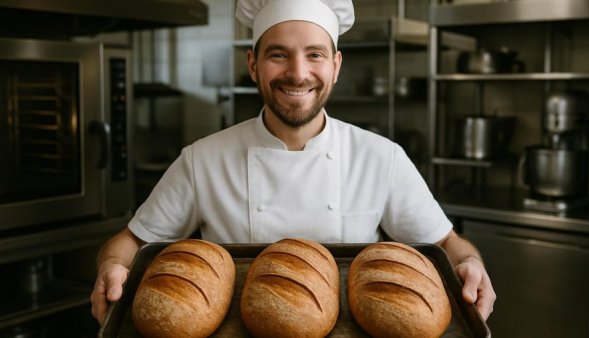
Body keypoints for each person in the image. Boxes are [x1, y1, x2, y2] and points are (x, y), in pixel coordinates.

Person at [91, 0, 496, 325]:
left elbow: (446, 244)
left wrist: (470, 264)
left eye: (314, 54)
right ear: (253, 64)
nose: (298, 74)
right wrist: (111, 267)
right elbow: (131, 244)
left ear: (335, 67)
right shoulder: (202, 160)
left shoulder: (382, 158)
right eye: (279, 55)